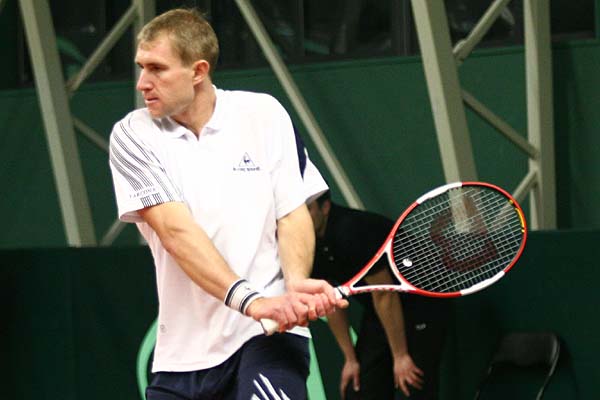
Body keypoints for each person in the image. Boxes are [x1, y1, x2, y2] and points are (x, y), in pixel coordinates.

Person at [108, 8, 347, 400]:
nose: (142, 83)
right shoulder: (133, 135)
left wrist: (296, 281)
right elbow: (175, 232)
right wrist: (253, 302)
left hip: (267, 338)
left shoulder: (264, 114)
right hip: (183, 356)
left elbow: (291, 212)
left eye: (157, 69)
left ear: (198, 71)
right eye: (141, 67)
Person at [307, 191, 451, 400]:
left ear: (325, 207)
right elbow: (330, 301)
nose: (303, 217)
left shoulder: (351, 229)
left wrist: (400, 356)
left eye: (309, 209)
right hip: (380, 308)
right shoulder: (306, 242)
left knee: (413, 383)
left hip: (422, 301)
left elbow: (384, 293)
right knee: (359, 389)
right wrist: (350, 359)